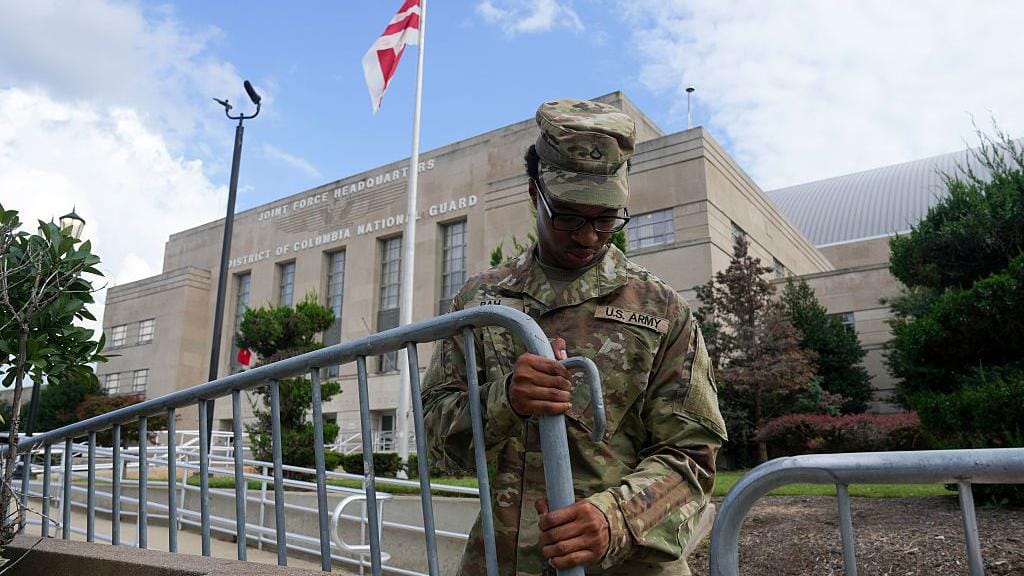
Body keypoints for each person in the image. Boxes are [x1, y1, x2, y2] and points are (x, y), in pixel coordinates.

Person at [422, 98, 727, 576]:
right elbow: (434, 440)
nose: (588, 237)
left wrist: (618, 519)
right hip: (504, 562)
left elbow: (693, 458)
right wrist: (504, 400)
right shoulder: (480, 303)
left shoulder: (661, 309)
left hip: (627, 564)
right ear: (533, 193)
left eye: (606, 219)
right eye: (567, 216)